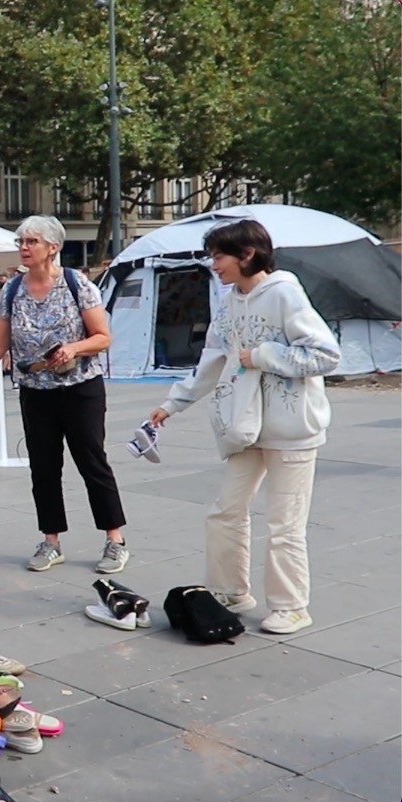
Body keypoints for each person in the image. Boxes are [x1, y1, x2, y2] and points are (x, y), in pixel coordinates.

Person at [148, 219, 340, 635]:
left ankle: (291, 605)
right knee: (225, 511)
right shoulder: (229, 300)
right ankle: (230, 589)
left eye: (219, 256)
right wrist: (172, 404)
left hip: (293, 428)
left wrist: (265, 355)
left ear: (247, 254)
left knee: (284, 522)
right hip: (245, 424)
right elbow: (212, 359)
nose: (213, 265)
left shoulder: (285, 292)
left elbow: (326, 355)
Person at [0, 215, 129, 574]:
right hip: (35, 390)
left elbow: (103, 336)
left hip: (80, 388)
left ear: (53, 247)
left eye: (32, 241)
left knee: (91, 461)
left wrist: (73, 348)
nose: (24, 247)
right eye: (21, 241)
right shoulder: (11, 290)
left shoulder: (77, 284)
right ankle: (51, 540)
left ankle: (114, 539)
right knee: (43, 467)